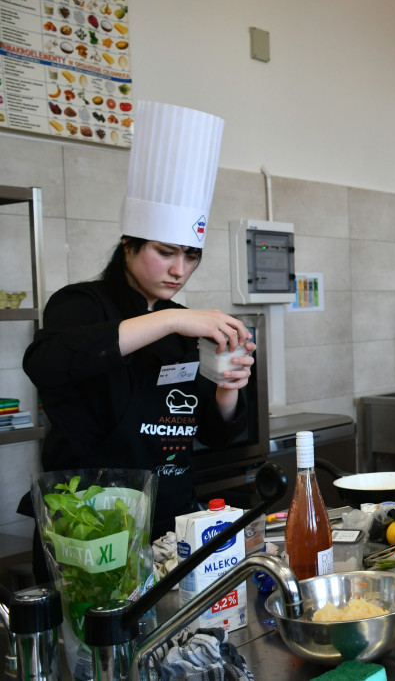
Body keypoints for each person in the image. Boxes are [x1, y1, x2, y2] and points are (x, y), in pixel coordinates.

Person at [19, 101, 254, 571]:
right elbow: (45, 362)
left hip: (170, 519)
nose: (179, 270)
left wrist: (228, 391)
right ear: (128, 244)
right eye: (165, 252)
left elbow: (211, 430)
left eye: (191, 256)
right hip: (88, 526)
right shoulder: (81, 303)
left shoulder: (183, 323)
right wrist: (168, 320)